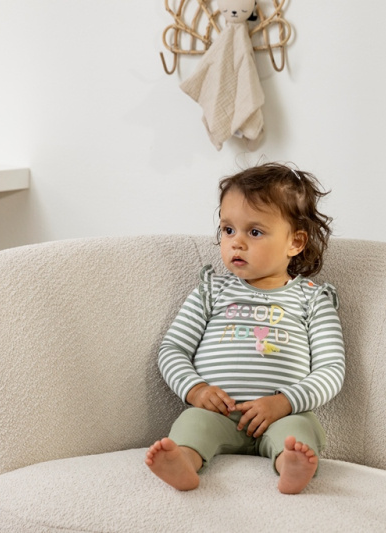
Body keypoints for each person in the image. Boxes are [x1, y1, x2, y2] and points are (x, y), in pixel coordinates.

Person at [145, 162, 345, 495]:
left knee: (296, 434)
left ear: (295, 242)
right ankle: (183, 461)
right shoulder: (212, 291)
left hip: (281, 415)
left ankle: (291, 466)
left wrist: (283, 402)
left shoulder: (312, 299)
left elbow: (331, 370)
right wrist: (195, 390)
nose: (236, 242)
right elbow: (172, 349)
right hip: (218, 413)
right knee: (193, 424)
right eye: (227, 230)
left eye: (254, 232)